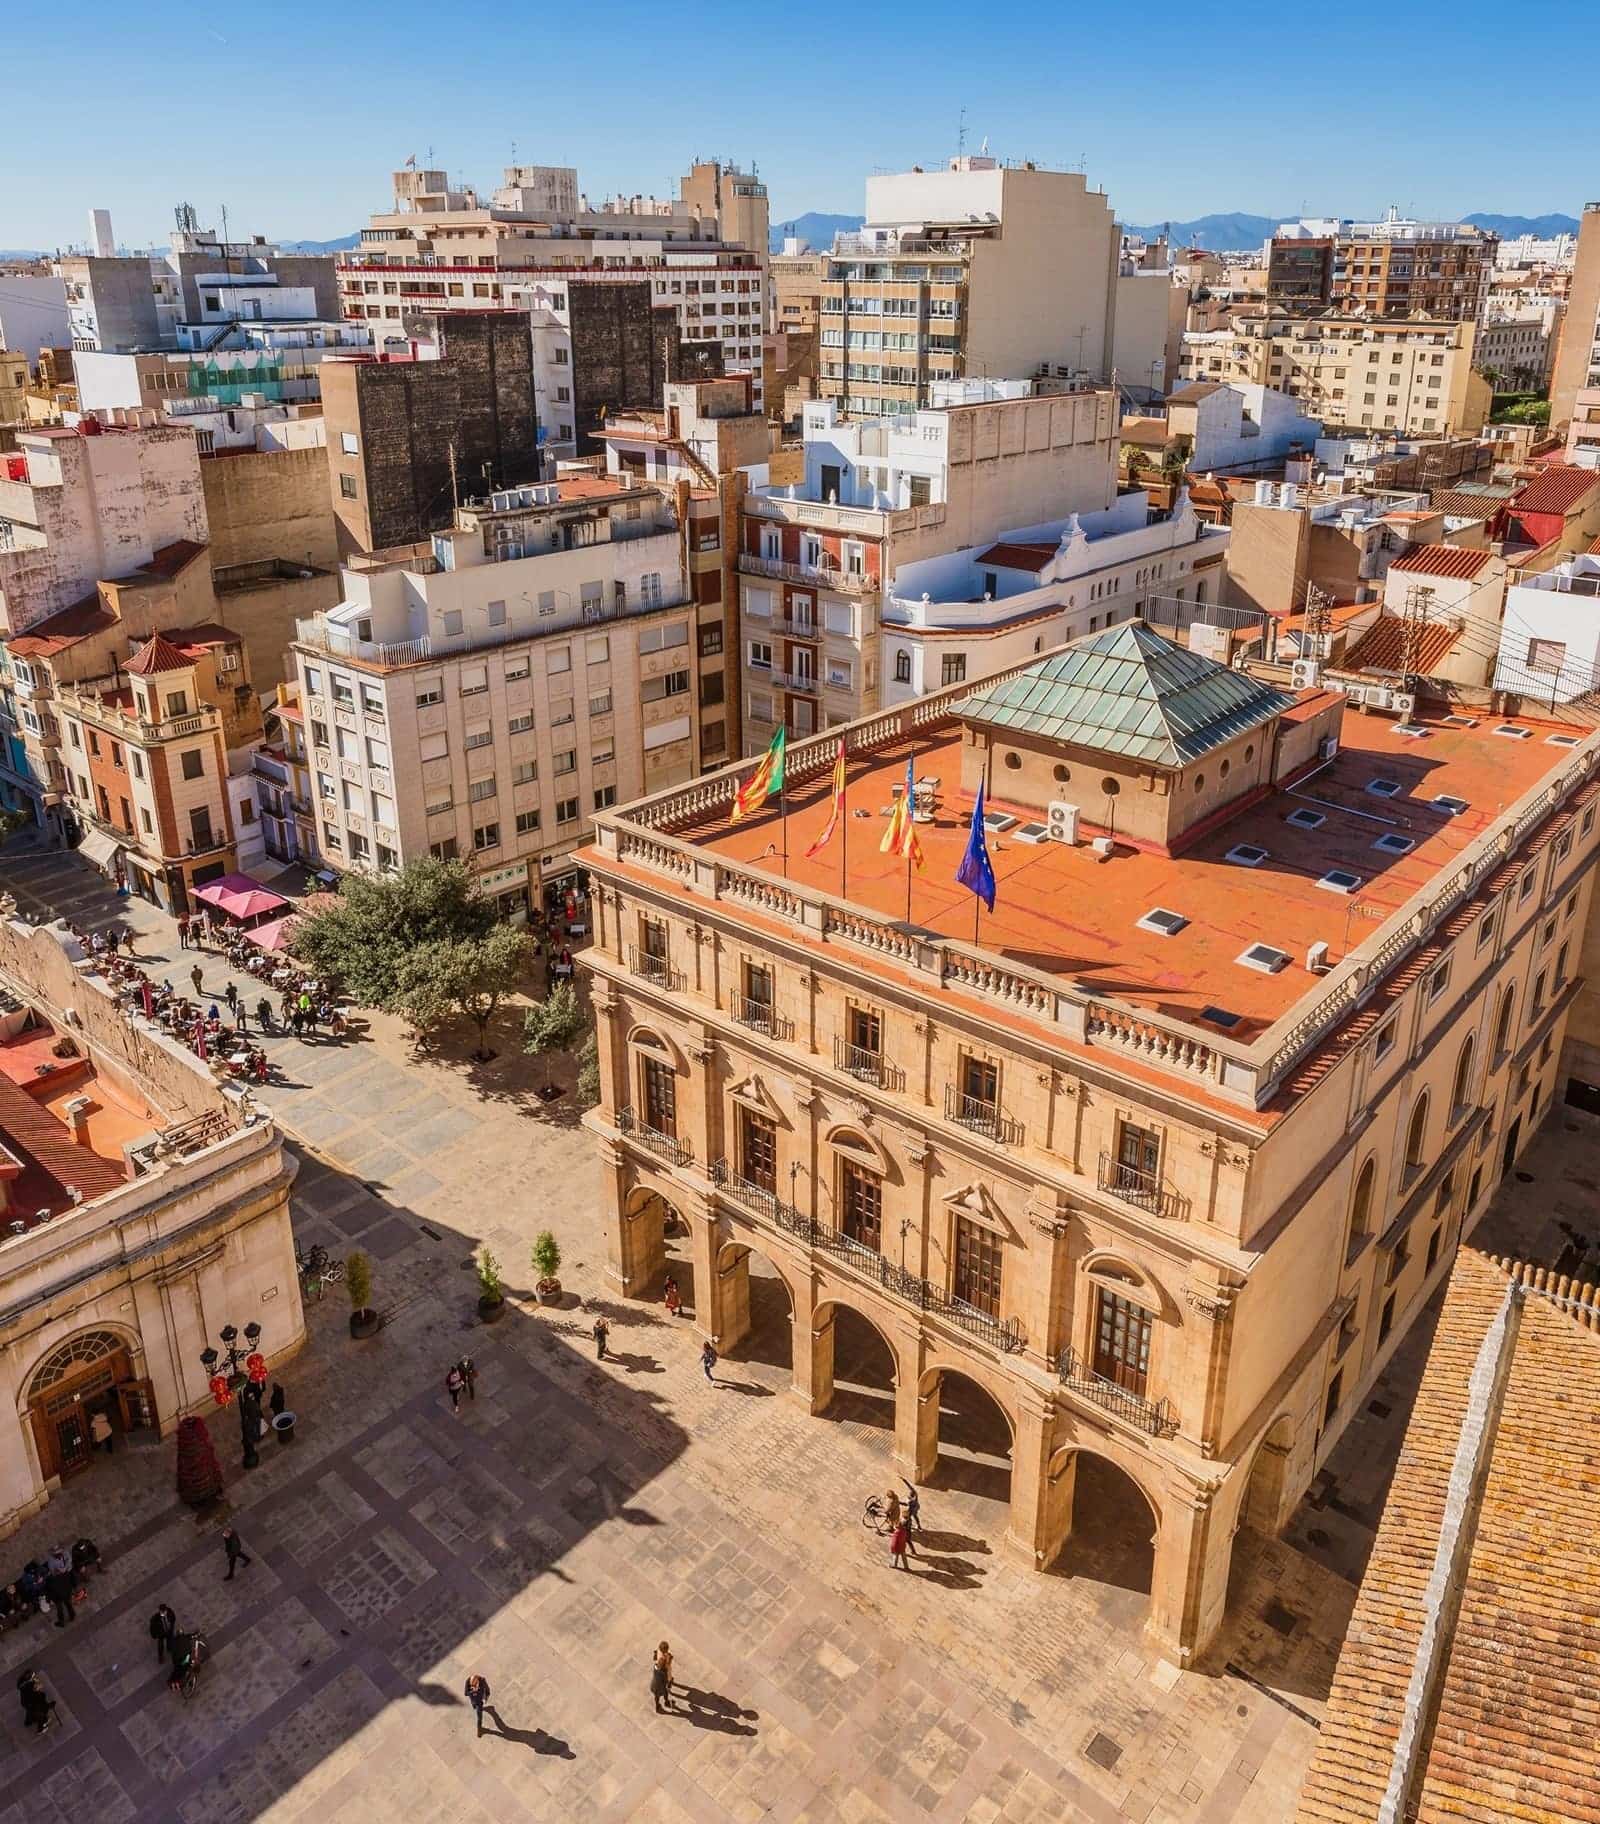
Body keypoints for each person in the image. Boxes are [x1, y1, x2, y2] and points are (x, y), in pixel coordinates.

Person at [18, 1669, 55, 1735]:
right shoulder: (29, 1685)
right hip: (31, 1702)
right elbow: (37, 1688)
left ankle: (29, 1722)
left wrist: (33, 1682)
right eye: (33, 1676)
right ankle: (41, 1728)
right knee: (39, 1713)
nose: (35, 1677)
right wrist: (37, 1685)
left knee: (30, 1712)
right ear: (29, 1679)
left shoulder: (21, 1682)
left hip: (25, 1702)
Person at [44, 1563, 75, 1628]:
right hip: (65, 1592)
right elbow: (68, 1580)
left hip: (57, 1596)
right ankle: (72, 1615)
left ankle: (62, 1622)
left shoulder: (48, 1580)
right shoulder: (61, 1573)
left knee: (60, 1609)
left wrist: (49, 1600)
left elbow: (48, 1591)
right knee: (68, 1604)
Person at [464, 1672, 492, 1737]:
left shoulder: (482, 1680)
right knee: (474, 1706)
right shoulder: (468, 1681)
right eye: (471, 1685)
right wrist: (473, 1691)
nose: (472, 1686)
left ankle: (480, 1730)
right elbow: (465, 1693)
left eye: (474, 1685)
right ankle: (476, 1707)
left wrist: (487, 1695)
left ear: (477, 1681)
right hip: (473, 1700)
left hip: (479, 1702)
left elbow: (487, 1688)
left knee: (479, 1716)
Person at [650, 1641, 675, 1714]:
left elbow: (655, 1659)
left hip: (655, 1684)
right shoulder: (663, 1671)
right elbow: (666, 1678)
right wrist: (669, 1682)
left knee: (657, 1696)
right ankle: (665, 1703)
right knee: (664, 1692)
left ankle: (659, 1705)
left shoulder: (656, 1667)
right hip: (661, 1685)